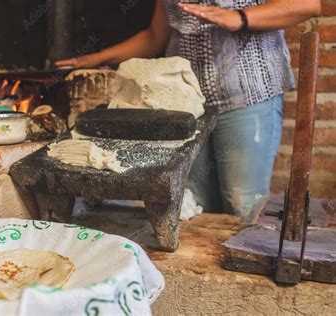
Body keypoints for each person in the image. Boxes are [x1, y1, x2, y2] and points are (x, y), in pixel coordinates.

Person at [56, 0, 321, 217]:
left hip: (247, 94)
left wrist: (239, 18)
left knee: (243, 206)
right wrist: (94, 58)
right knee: (192, 205)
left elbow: (306, 5)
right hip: (185, 107)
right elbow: (155, 36)